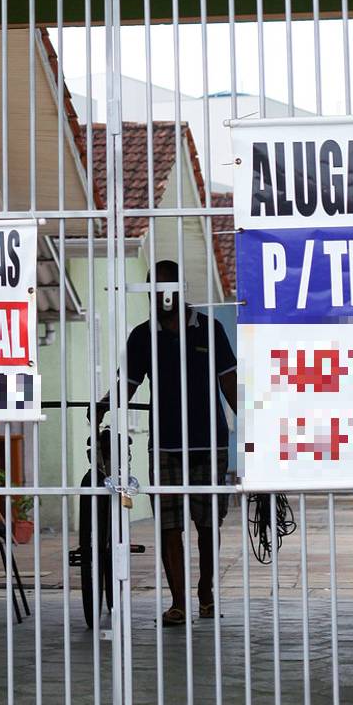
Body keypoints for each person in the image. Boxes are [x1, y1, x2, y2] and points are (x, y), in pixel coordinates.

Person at [92, 260, 236, 624]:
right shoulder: (142, 336)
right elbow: (130, 381)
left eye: (169, 288)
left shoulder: (210, 329)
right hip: (166, 444)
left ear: (181, 291)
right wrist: (106, 405)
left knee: (207, 525)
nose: (163, 297)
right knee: (169, 525)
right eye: (155, 290)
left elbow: (229, 382)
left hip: (209, 443)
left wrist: (254, 429)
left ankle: (206, 591)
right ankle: (178, 603)